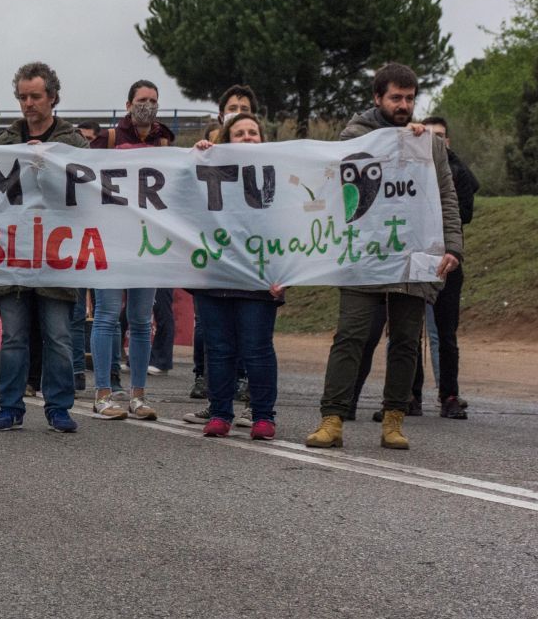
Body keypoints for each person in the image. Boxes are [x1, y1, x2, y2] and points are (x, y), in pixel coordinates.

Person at [306, 63, 462, 451]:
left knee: (407, 340)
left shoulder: (429, 144)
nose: (403, 105)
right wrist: (394, 141)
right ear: (378, 98)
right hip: (365, 256)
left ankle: (394, 420)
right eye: (396, 97)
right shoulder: (354, 136)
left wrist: (453, 247)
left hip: (414, 256)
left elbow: (447, 196)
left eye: (409, 98)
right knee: (351, 336)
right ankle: (332, 419)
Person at [0, 62, 86, 433]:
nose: (28, 103)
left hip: (56, 256)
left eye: (35, 96)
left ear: (53, 97)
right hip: (12, 256)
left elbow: (86, 196)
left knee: (58, 335)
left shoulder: (74, 143)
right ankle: (10, 407)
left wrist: (49, 164)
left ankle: (58, 408)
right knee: (13, 337)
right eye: (22, 97)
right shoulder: (4, 142)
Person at [188, 114, 283, 439]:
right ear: (227, 140)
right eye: (239, 133)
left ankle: (263, 416)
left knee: (257, 348)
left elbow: (291, 227)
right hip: (215, 275)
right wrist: (199, 156)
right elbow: (177, 197)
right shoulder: (208, 171)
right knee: (219, 349)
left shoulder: (277, 174)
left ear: (262, 139)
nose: (247, 138)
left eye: (253, 133)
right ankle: (220, 413)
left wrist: (287, 274)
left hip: (259, 276)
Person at [87, 80, 174, 420]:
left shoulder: (166, 140)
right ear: (128, 104)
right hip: (111, 238)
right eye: (141, 99)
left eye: (153, 100)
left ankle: (138, 396)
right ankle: (103, 394)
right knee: (107, 317)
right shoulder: (107, 139)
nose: (147, 105)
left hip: (147, 242)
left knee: (140, 321)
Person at [422, 116, 478, 419]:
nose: (435, 140)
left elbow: (465, 213)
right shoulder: (410, 170)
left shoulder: (458, 173)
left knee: (445, 333)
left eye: (440, 136)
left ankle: (449, 394)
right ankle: (408, 396)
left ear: (448, 141)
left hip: (448, 261)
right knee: (405, 334)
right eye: (428, 135)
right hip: (415, 260)